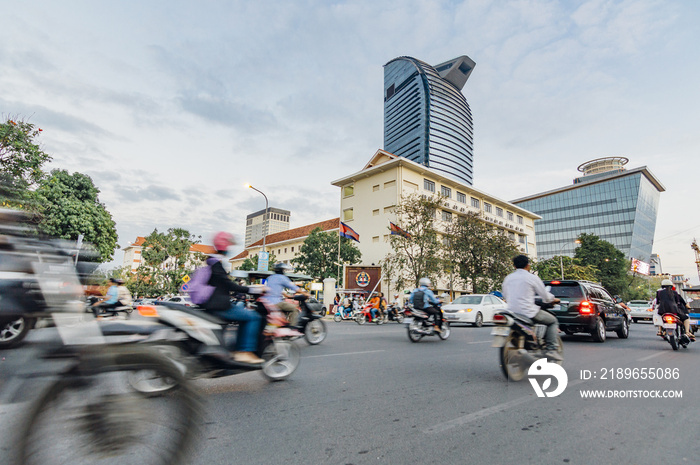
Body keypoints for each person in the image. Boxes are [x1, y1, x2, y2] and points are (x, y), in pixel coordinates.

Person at [202, 232, 264, 364]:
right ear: (224, 246)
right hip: (219, 305)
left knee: (244, 316)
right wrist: (253, 289)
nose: (230, 249)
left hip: (214, 304)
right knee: (253, 317)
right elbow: (229, 285)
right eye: (229, 246)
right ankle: (245, 351)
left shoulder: (210, 261)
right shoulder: (215, 263)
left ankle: (237, 349)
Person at [502, 254, 562, 361]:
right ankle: (551, 349)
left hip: (511, 312)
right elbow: (545, 297)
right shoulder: (532, 277)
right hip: (528, 311)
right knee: (553, 321)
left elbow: (505, 296)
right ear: (528, 265)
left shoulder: (508, 278)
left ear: (514, 266)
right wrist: (554, 300)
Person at [265, 262, 309, 327]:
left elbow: (274, 290)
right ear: (282, 270)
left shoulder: (270, 278)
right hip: (276, 302)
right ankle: (292, 327)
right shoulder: (282, 277)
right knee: (294, 309)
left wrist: (287, 295)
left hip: (267, 302)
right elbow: (294, 287)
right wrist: (305, 293)